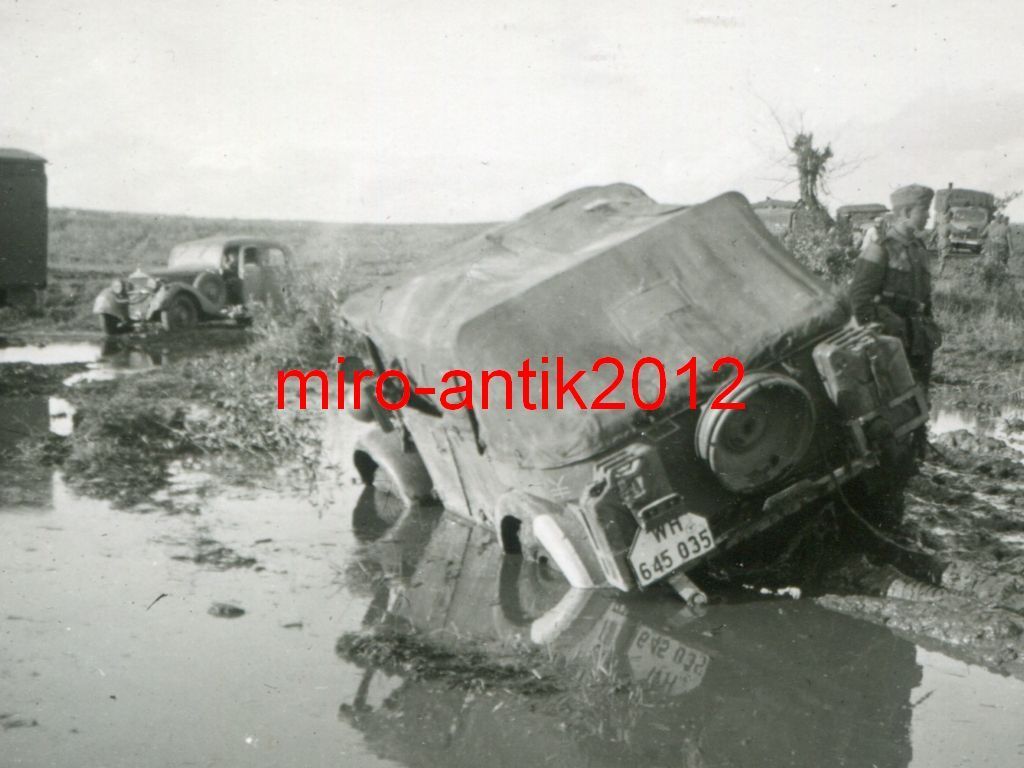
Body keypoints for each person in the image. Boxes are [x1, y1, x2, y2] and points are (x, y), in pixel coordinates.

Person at [850, 184, 941, 392]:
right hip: (891, 339)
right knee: (893, 401)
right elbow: (859, 299)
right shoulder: (880, 249)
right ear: (906, 212)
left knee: (919, 397)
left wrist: (929, 326)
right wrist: (875, 338)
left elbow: (926, 300)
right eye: (924, 210)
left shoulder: (920, 249)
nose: (928, 216)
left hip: (919, 337)